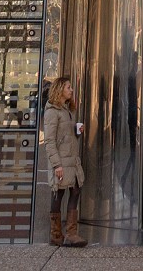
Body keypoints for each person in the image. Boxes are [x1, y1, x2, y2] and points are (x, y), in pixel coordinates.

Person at [43, 76, 87, 247]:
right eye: (69, 87)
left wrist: (77, 130)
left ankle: (70, 233)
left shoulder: (66, 110)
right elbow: (49, 141)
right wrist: (56, 165)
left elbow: (65, 136)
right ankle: (57, 234)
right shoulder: (52, 112)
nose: (71, 90)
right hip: (61, 161)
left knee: (75, 189)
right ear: (60, 89)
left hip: (71, 160)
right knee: (59, 192)